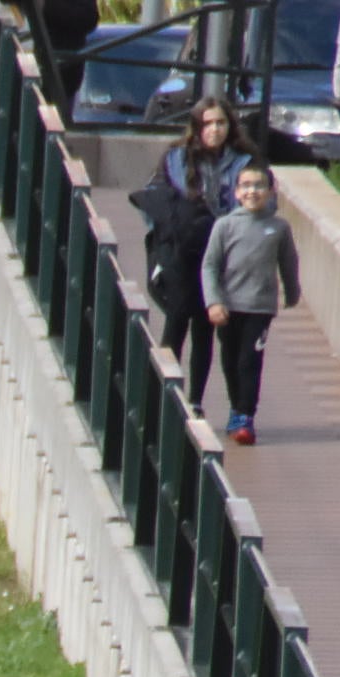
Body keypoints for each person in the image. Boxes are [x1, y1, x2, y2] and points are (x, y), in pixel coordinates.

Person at [133, 98, 247, 398]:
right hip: (180, 253)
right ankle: (161, 397)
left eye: (221, 123)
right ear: (196, 128)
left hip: (218, 253)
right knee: (176, 320)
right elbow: (153, 200)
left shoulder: (242, 161)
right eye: (208, 123)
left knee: (204, 329)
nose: (215, 130)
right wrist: (169, 235)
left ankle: (195, 399)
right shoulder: (175, 159)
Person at [202, 162, 300, 447]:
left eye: (259, 186)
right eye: (245, 186)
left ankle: (246, 415)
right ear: (236, 192)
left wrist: (292, 292)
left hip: (259, 307)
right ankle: (235, 409)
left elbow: (289, 262)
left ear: (270, 192)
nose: (252, 191)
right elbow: (210, 266)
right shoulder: (225, 225)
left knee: (249, 361)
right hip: (229, 306)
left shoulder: (278, 227)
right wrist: (214, 302)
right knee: (230, 361)